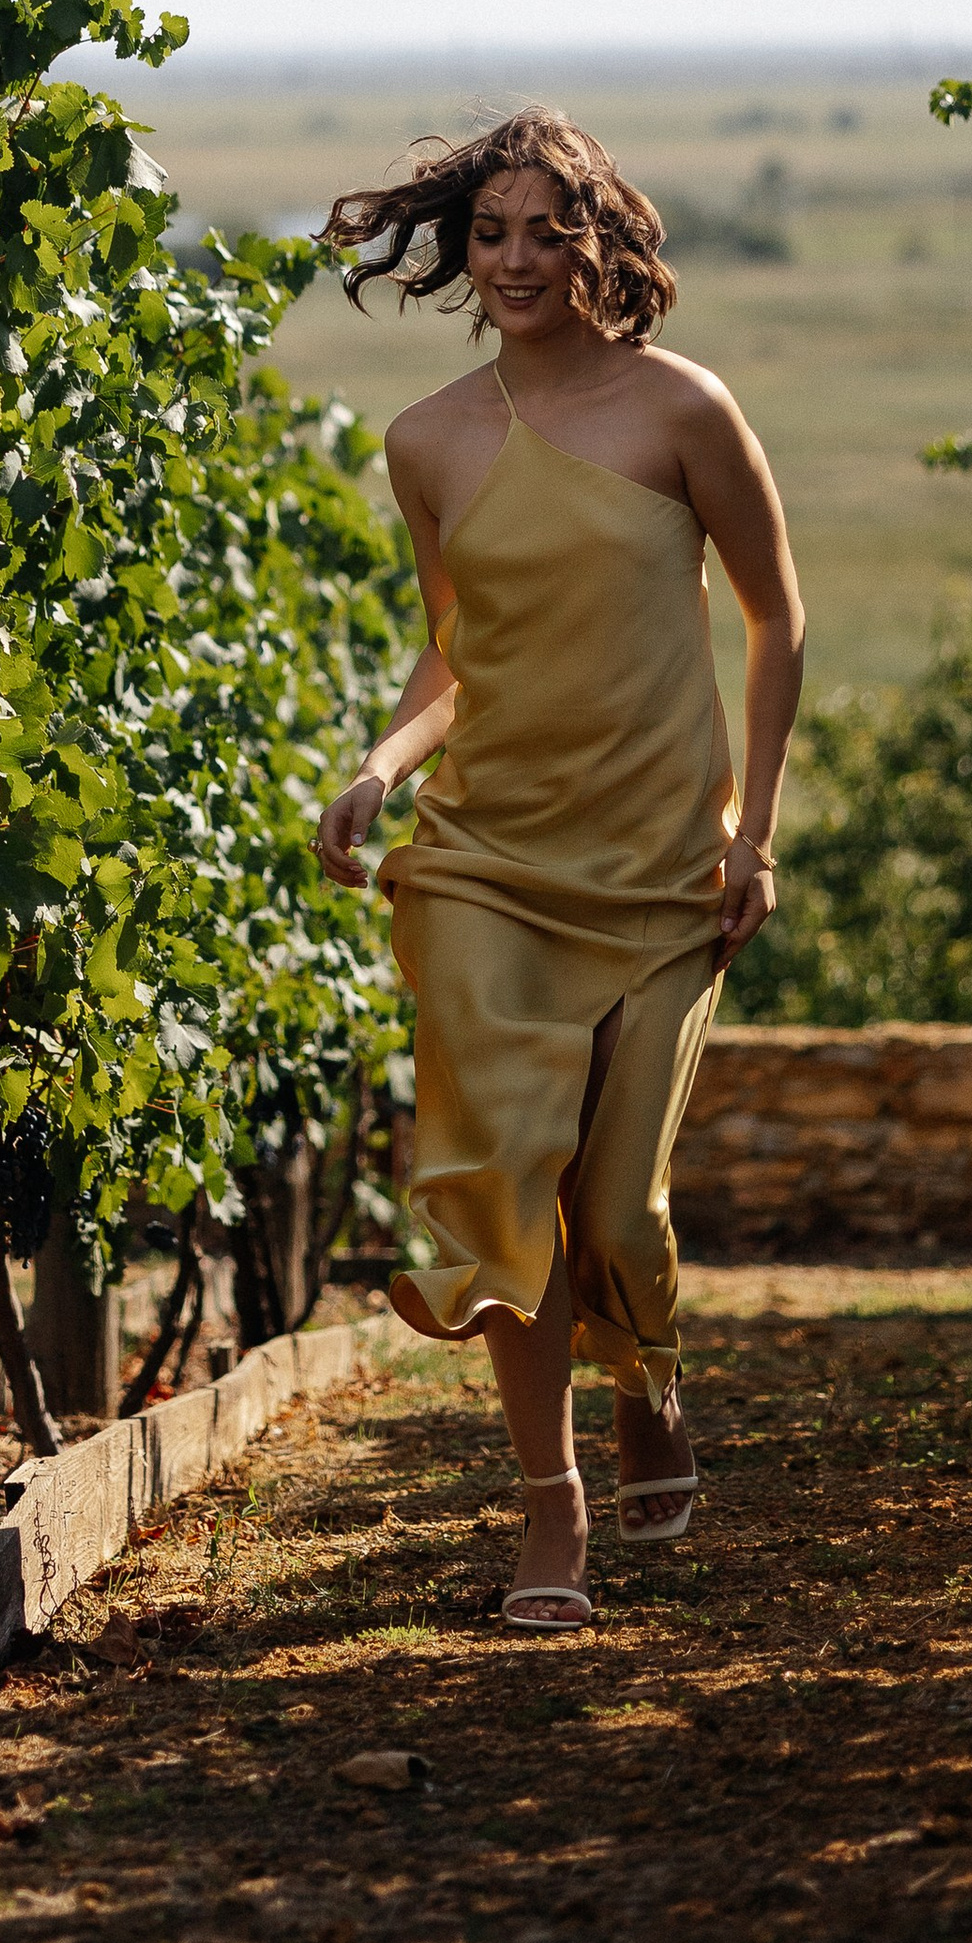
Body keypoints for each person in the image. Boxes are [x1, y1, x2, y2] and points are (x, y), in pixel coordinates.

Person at [313, 109, 804, 1630]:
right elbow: (455, 652)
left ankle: (648, 1371)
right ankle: (550, 1510)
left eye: (546, 230)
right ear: (462, 250)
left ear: (602, 240)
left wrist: (755, 831)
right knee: (501, 1186)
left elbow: (778, 620)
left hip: (661, 866)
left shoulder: (686, 411)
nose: (517, 258)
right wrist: (380, 768)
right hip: (486, 861)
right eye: (492, 233)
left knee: (616, 1208)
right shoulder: (429, 438)